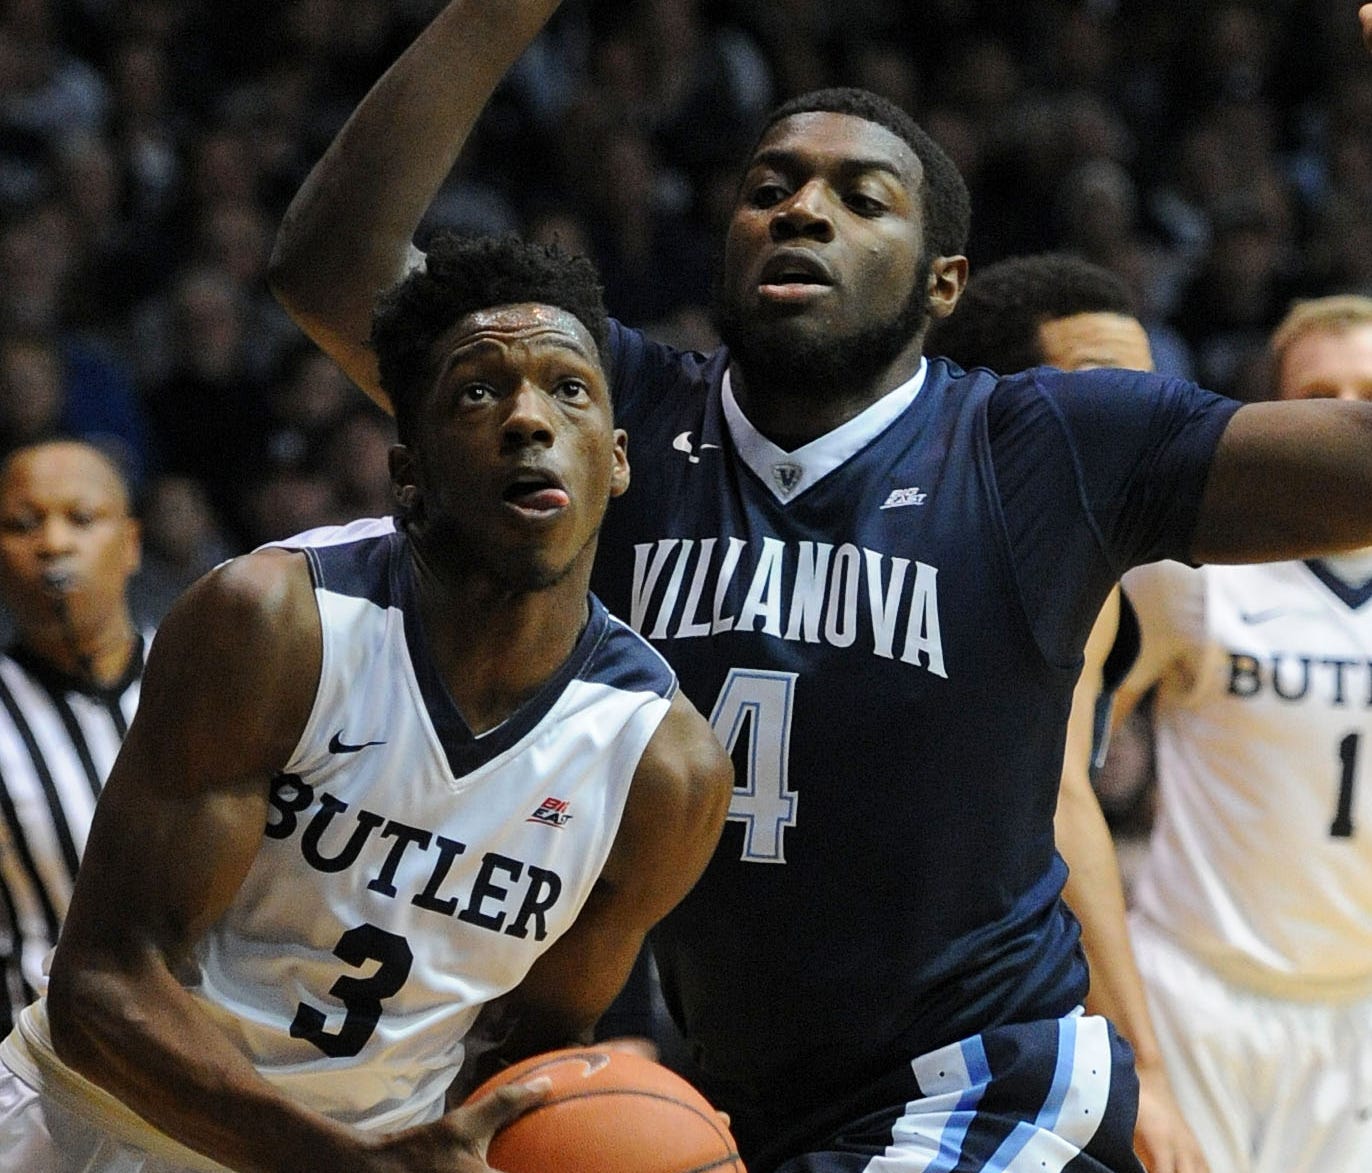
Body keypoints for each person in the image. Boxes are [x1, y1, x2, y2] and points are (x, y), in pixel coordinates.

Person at [267, 5, 1372, 1169]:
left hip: (981, 1080)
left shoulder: (1041, 446)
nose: (803, 209)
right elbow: (331, 270)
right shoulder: (607, 419)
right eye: (771, 188)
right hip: (721, 1088)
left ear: (942, 283)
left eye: (861, 199)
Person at [0, 233, 734, 1173]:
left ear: (619, 459)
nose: (528, 419)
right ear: (408, 469)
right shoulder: (273, 624)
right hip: (98, 1129)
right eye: (478, 390)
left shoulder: (664, 767)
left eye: (569, 388)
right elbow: (100, 986)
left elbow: (526, 1058)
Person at [925, 253, 1205, 1171]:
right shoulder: (1025, 553)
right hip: (938, 1019)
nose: (1138, 420)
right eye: (1099, 391)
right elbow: (1058, 804)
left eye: (1150, 392)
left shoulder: (1110, 571)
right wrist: (1149, 1067)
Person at [1111, 293, 1372, 1172]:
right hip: (1197, 996)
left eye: (1369, 386)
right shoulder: (1196, 577)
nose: (1350, 409)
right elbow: (1056, 766)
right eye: (1321, 391)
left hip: (1357, 1008)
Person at [0, 437, 147, 1035]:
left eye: (81, 519)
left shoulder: (205, 678)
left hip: (217, 1065)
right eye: (21, 525)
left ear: (131, 543)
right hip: (34, 1078)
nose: (53, 545)